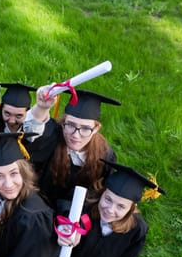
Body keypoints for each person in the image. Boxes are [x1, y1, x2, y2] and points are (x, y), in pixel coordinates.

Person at [54, 159, 165, 257]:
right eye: (108, 199)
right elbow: (64, 205)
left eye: (121, 206)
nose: (110, 210)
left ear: (131, 208)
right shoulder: (85, 204)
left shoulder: (136, 230)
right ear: (102, 193)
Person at [32, 87, 121, 215]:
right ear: (63, 122)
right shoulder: (52, 137)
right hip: (40, 208)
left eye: (85, 128)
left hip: (78, 215)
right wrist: (41, 108)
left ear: (96, 128)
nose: (76, 135)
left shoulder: (105, 155)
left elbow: (101, 191)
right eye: (70, 125)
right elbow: (34, 130)